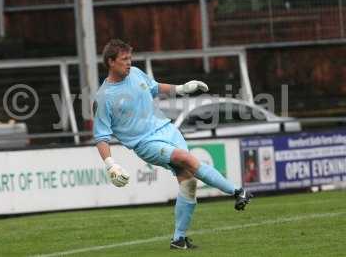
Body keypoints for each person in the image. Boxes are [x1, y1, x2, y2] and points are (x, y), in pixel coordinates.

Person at [93, 39, 253, 250]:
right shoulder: (104, 97)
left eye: (130, 58)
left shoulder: (136, 73)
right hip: (145, 143)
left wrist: (183, 88)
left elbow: (155, 87)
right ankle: (237, 191)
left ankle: (179, 239)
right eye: (124, 59)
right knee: (185, 158)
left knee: (189, 183)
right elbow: (101, 136)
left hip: (168, 131)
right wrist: (110, 164)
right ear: (111, 62)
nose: (129, 63)